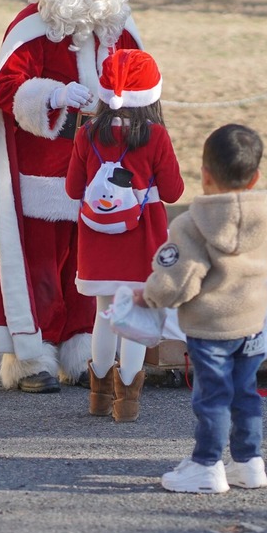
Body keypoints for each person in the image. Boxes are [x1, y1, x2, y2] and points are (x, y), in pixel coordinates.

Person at [0, 0, 146, 393]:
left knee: (89, 268)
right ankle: (31, 356)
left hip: (103, 176)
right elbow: (7, 87)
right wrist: (51, 96)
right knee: (41, 267)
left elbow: (144, 84)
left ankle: (85, 348)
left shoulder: (120, 29)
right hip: (42, 173)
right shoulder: (31, 25)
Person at [134, 123, 267, 492]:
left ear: (204, 176)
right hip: (252, 323)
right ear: (256, 177)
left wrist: (150, 295)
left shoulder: (192, 225)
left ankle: (206, 465)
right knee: (245, 393)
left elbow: (180, 280)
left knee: (213, 397)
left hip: (210, 329)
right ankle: (248, 462)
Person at [63, 49, 184, 421]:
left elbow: (72, 189)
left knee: (102, 315)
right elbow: (173, 191)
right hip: (141, 243)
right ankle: (127, 403)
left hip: (97, 242)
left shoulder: (86, 134)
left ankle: (98, 398)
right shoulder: (156, 136)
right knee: (134, 317)